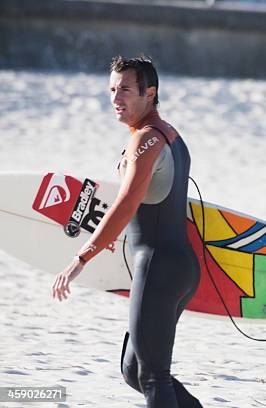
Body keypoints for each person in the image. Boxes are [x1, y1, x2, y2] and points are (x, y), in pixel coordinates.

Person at [51, 56, 202, 408]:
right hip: (177, 267)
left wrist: (81, 257)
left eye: (126, 90)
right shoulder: (171, 135)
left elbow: (126, 203)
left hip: (159, 268)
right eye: (112, 90)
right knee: (134, 369)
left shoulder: (145, 139)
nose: (116, 99)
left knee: (152, 376)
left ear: (150, 93)